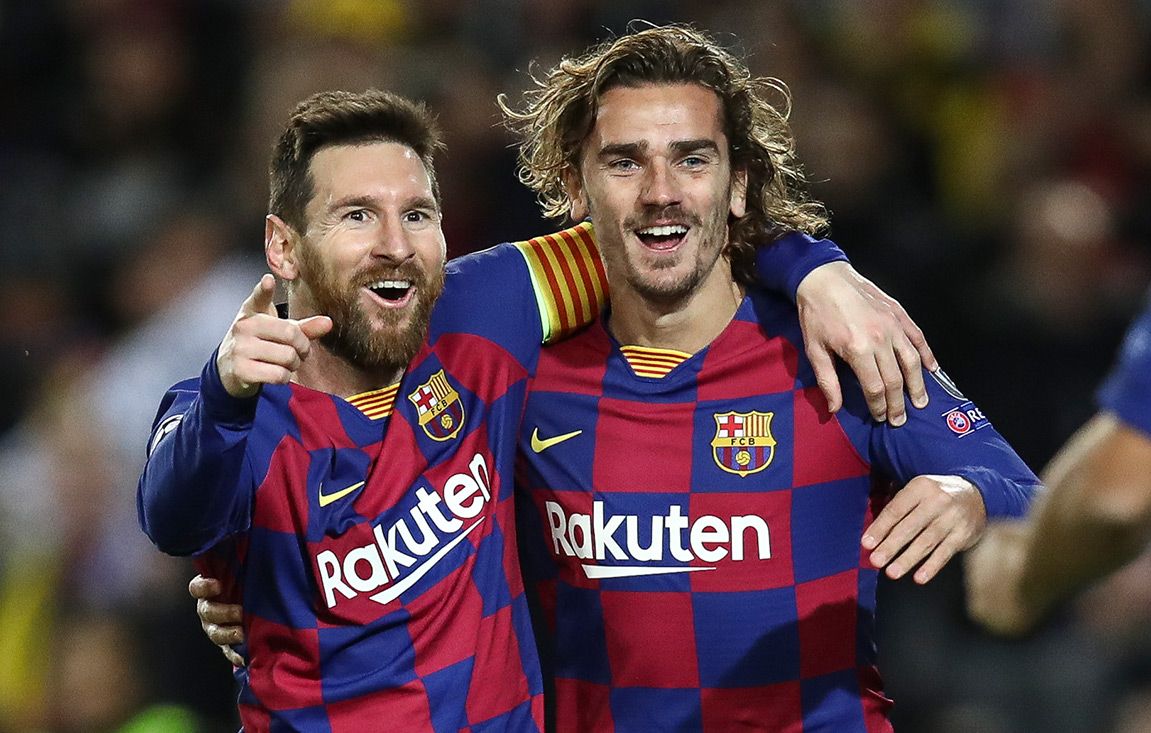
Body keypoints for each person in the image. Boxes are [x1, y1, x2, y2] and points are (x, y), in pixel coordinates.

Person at [193, 25, 1040, 731]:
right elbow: (345, 367)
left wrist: (971, 497)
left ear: (739, 183)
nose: (662, 193)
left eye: (693, 160)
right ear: (575, 185)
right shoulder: (513, 371)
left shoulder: (843, 349)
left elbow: (1036, 498)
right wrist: (268, 580)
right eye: (627, 162)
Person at [965, 184, 1151, 637]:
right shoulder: (971, 338)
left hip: (1093, 562)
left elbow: (1116, 501)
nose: (1063, 280)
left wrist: (1022, 574)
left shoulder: (1116, 330)